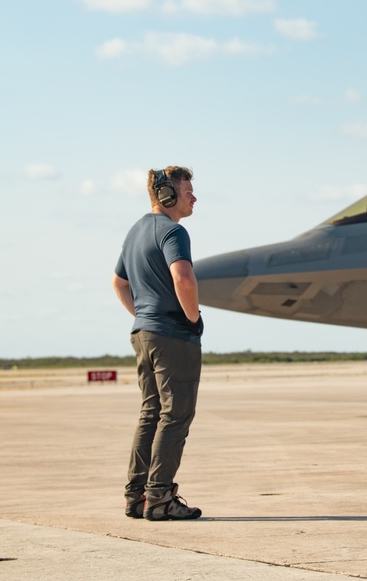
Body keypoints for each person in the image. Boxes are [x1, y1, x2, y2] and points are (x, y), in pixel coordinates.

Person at [112, 167, 205, 521]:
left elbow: (119, 283)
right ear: (167, 197)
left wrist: (143, 315)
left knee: (151, 413)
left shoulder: (135, 232)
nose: (194, 197)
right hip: (172, 335)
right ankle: (161, 497)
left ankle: (136, 496)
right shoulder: (173, 231)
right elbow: (183, 275)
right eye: (187, 191)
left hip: (143, 333)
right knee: (176, 413)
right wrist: (191, 318)